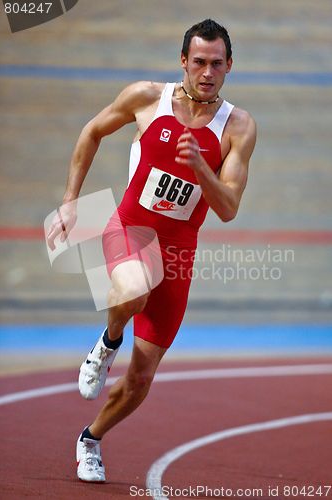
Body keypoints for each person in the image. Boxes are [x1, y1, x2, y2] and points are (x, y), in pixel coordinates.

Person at [47, 18, 256, 483]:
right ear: (183, 61)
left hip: (180, 252)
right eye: (198, 61)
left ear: (229, 67)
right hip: (129, 229)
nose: (207, 72)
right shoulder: (146, 98)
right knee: (134, 288)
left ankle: (90, 439)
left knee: (141, 380)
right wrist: (68, 201)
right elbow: (91, 132)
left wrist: (202, 166)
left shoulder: (237, 127)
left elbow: (228, 209)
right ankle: (107, 342)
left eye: (216, 64)